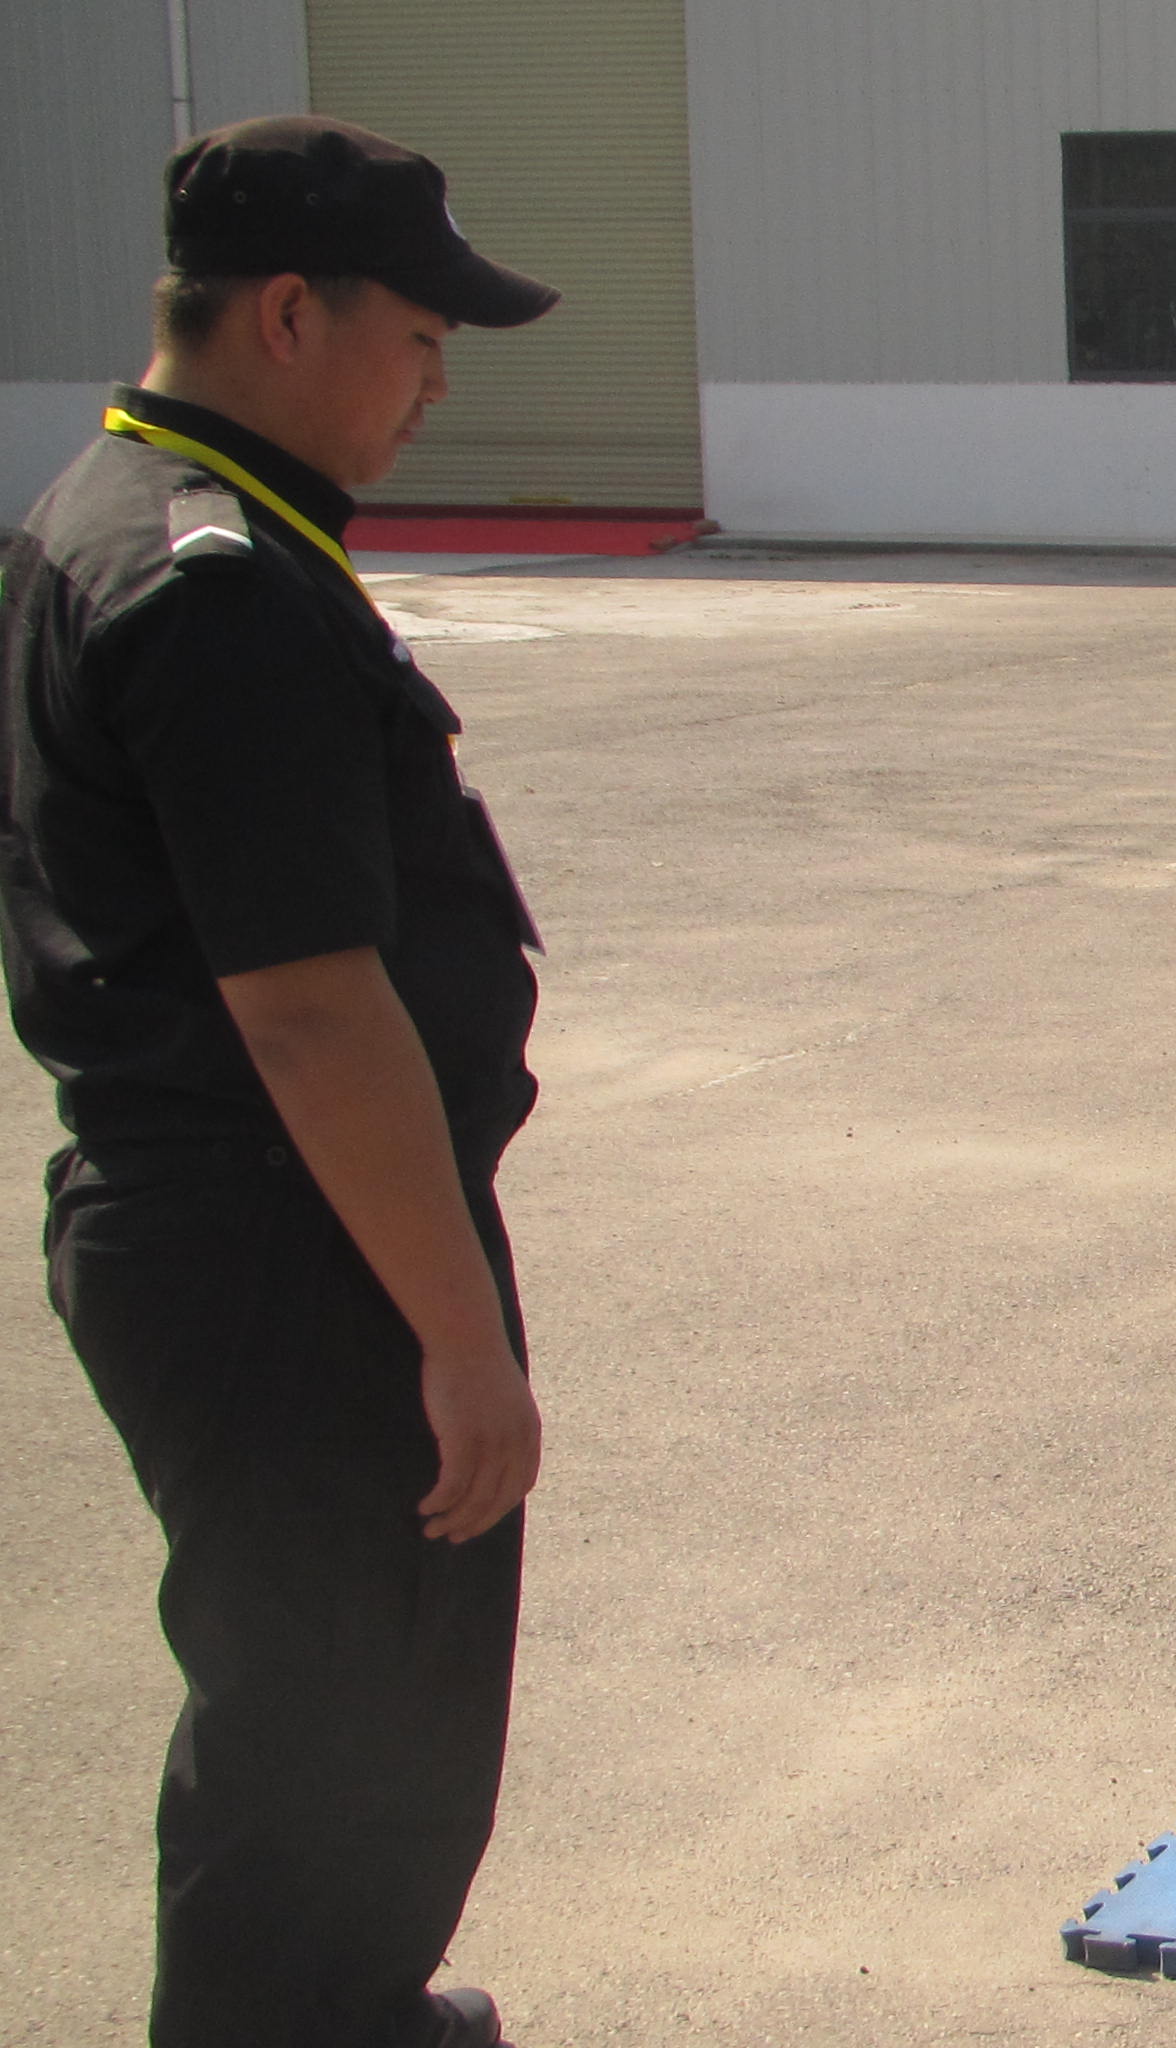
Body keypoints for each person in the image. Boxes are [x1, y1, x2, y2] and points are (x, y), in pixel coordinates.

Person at [1, 116, 560, 2048]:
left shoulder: (113, 512)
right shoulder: (217, 586)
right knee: (326, 1716)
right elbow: (309, 1009)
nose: (433, 385)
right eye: (419, 340)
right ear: (292, 314)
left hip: (248, 1223)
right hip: (286, 1240)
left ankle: (348, 2007)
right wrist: (458, 1333)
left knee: (353, 1692)